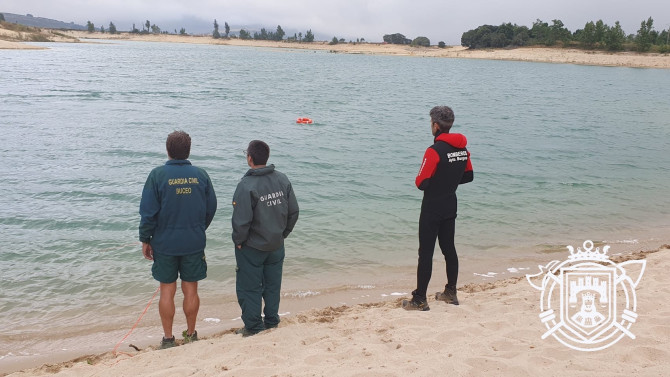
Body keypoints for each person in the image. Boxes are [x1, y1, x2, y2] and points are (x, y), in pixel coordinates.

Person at [139, 130, 217, 348]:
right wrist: (199, 228)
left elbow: (148, 212)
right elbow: (211, 207)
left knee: (167, 290)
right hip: (193, 241)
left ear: (168, 150)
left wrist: (146, 239)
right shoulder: (201, 175)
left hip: (164, 243)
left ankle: (168, 338)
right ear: (188, 151)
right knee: (191, 289)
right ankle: (191, 334)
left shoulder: (157, 175)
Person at [403, 106, 473, 311]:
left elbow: (421, 182)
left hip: (432, 207)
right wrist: (447, 182)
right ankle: (451, 292)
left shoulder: (434, 151)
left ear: (435, 125)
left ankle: (420, 300)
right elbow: (468, 176)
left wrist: (437, 181)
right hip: (450, 204)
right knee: (448, 249)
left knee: (425, 253)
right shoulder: (463, 149)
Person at [231, 140, 299, 336]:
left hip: (252, 247)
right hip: (276, 244)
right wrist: (282, 234)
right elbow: (293, 212)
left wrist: (239, 241)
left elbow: (241, 222)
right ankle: (271, 320)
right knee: (272, 285)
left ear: (250, 158)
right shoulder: (282, 179)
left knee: (249, 287)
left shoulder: (246, 185)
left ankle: (253, 326)